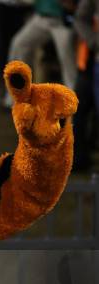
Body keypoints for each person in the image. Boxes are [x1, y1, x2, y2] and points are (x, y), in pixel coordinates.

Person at [9, 0, 78, 89]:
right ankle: (16, 93)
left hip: (63, 20)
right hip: (41, 17)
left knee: (67, 56)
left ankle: (74, 95)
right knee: (19, 44)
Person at [73, 0, 98, 170]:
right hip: (89, 61)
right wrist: (94, 42)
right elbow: (80, 19)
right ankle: (80, 158)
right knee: (79, 110)